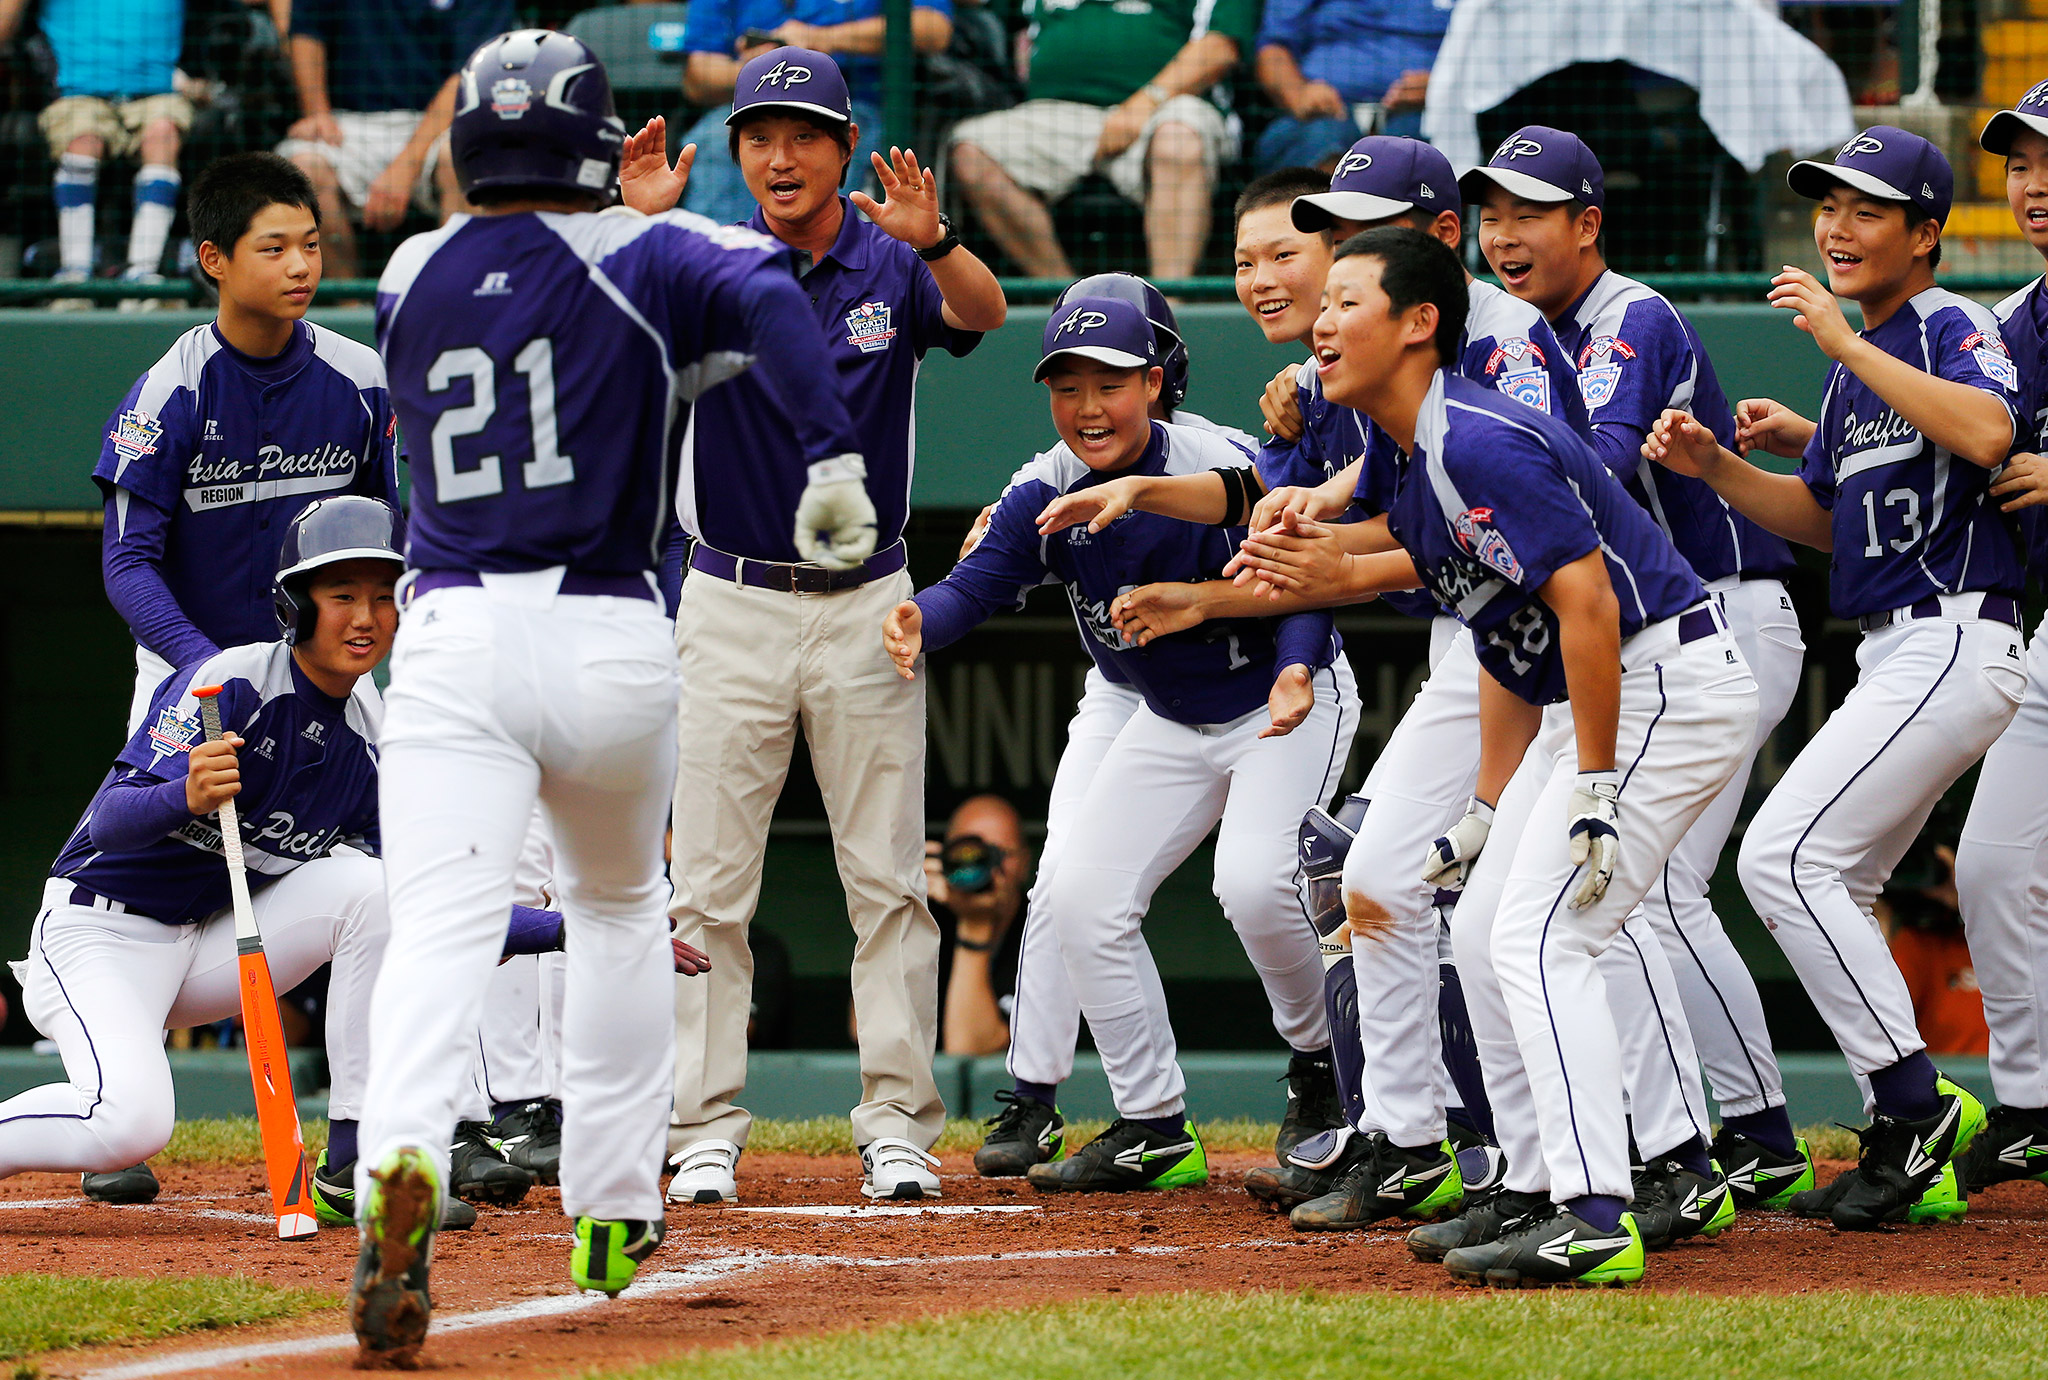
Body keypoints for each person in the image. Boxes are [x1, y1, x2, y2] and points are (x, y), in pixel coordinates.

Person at [351, 30, 869, 1364]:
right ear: (596, 139)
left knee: (438, 930)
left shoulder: (410, 274)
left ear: (470, 140)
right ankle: (618, 1199)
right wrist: (831, 457)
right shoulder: (652, 255)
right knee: (626, 911)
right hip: (611, 636)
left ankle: (401, 1162)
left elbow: (536, 280)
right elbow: (770, 298)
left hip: (455, 632)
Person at [1230, 226, 1757, 1286]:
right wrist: (1483, 807)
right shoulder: (1421, 457)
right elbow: (1502, 638)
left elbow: (1587, 606)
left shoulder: (1475, 438)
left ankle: (1596, 1212)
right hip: (1595, 694)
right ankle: (1529, 1182)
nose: (1319, 322)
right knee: (1476, 931)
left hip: (1663, 681)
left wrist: (1597, 787)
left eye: (1345, 300)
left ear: (1419, 322)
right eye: (1319, 302)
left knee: (1544, 936)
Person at [615, 48, 1004, 1210]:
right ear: (735, 153)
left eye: (802, 134)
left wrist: (934, 239)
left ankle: (896, 1122)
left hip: (864, 602)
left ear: (843, 147)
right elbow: (601, 339)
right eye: (756, 136)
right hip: (726, 600)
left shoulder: (891, 253)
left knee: (885, 879)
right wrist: (634, 230)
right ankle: (700, 1130)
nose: (778, 156)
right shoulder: (698, 259)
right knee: (706, 891)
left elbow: (984, 314)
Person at [888, 295, 1360, 1194]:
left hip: (1279, 701)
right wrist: (921, 617)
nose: (1089, 406)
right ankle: (1153, 1123)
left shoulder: (1219, 464)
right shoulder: (1045, 484)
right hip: (1171, 716)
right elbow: (978, 584)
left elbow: (1302, 580)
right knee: (1079, 895)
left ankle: (1321, 1068)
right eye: (1068, 386)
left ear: (1153, 384)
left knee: (1255, 882)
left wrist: (1298, 671)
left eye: (1110, 383)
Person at [1641, 126, 2023, 1231]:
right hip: (1892, 645)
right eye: (1825, 205)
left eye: (1866, 209)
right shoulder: (1863, 369)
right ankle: (1903, 1135)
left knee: (1778, 857)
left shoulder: (1949, 324)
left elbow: (1991, 429)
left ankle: (1915, 1111)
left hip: (1954, 633)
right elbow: (1822, 521)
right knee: (1830, 879)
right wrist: (1717, 467)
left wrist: (1845, 348)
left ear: (1925, 235)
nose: (1836, 226)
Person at [1459, 125, 1814, 1211]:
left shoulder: (1630, 316)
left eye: (1528, 212)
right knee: (1611, 899)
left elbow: (1599, 465)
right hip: (1635, 639)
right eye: (1489, 213)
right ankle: (1712, 1137)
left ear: (1585, 224)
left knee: (1638, 896)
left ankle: (1735, 1136)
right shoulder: (1516, 336)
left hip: (1722, 617)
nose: (1502, 234)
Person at [0, 498, 489, 1229]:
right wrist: (184, 793)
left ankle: (352, 1160)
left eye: (385, 598)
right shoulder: (234, 683)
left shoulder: (364, 742)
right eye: (343, 596)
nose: (366, 618)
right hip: (95, 936)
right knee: (129, 1125)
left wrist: (574, 928)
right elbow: (109, 823)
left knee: (376, 894)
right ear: (295, 606)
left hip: (203, 946)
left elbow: (426, 905)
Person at [93, 152, 400, 737]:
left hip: (328, 673)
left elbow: (385, 532)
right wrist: (211, 666)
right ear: (215, 259)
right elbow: (128, 561)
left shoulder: (362, 377)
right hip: (190, 673)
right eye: (274, 249)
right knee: (150, 827)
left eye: (310, 245)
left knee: (379, 826)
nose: (300, 267)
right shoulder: (169, 389)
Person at [1951, 86, 2048, 1198]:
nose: (2031, 184)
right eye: (2017, 163)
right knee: (1991, 864)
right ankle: (2025, 1105)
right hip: (2037, 630)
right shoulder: (2013, 320)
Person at [947, 0, 1257, 280]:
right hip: (1053, 115)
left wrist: (1147, 101)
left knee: (1179, 139)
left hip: (1167, 105)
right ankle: (1068, 304)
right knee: (971, 151)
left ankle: (1167, 314)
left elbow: (1220, 46)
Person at [276, 0, 516, 280]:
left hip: (443, 122)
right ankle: (350, 311)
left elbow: (471, 73)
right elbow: (307, 30)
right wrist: (317, 112)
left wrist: (406, 166)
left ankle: (451, 301)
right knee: (303, 171)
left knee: (466, 162)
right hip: (350, 123)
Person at [675, 0, 955, 227]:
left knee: (824, 137)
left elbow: (932, 27)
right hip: (755, 104)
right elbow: (698, 78)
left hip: (856, 101)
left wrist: (819, 39)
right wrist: (769, 67)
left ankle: (821, 270)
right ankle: (721, 269)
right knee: (717, 138)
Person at [0, 0, 188, 300]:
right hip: (77, 92)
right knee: (83, 141)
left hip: (158, 93)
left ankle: (142, 276)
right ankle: (75, 277)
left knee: (162, 135)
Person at [1251, 0, 1452, 171]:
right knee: (1320, 141)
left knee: (1414, 155)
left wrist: (1444, 85)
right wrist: (1299, 93)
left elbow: (1480, 56)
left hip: (1427, 113)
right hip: (1327, 112)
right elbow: (1273, 47)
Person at [926, 795, 1029, 1056]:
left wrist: (975, 923)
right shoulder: (923, 918)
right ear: (944, 858)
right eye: (969, 853)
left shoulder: (1047, 931)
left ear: (1026, 863)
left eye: (1000, 853)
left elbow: (969, 1048)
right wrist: (900, 903)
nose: (986, 866)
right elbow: (864, 1026)